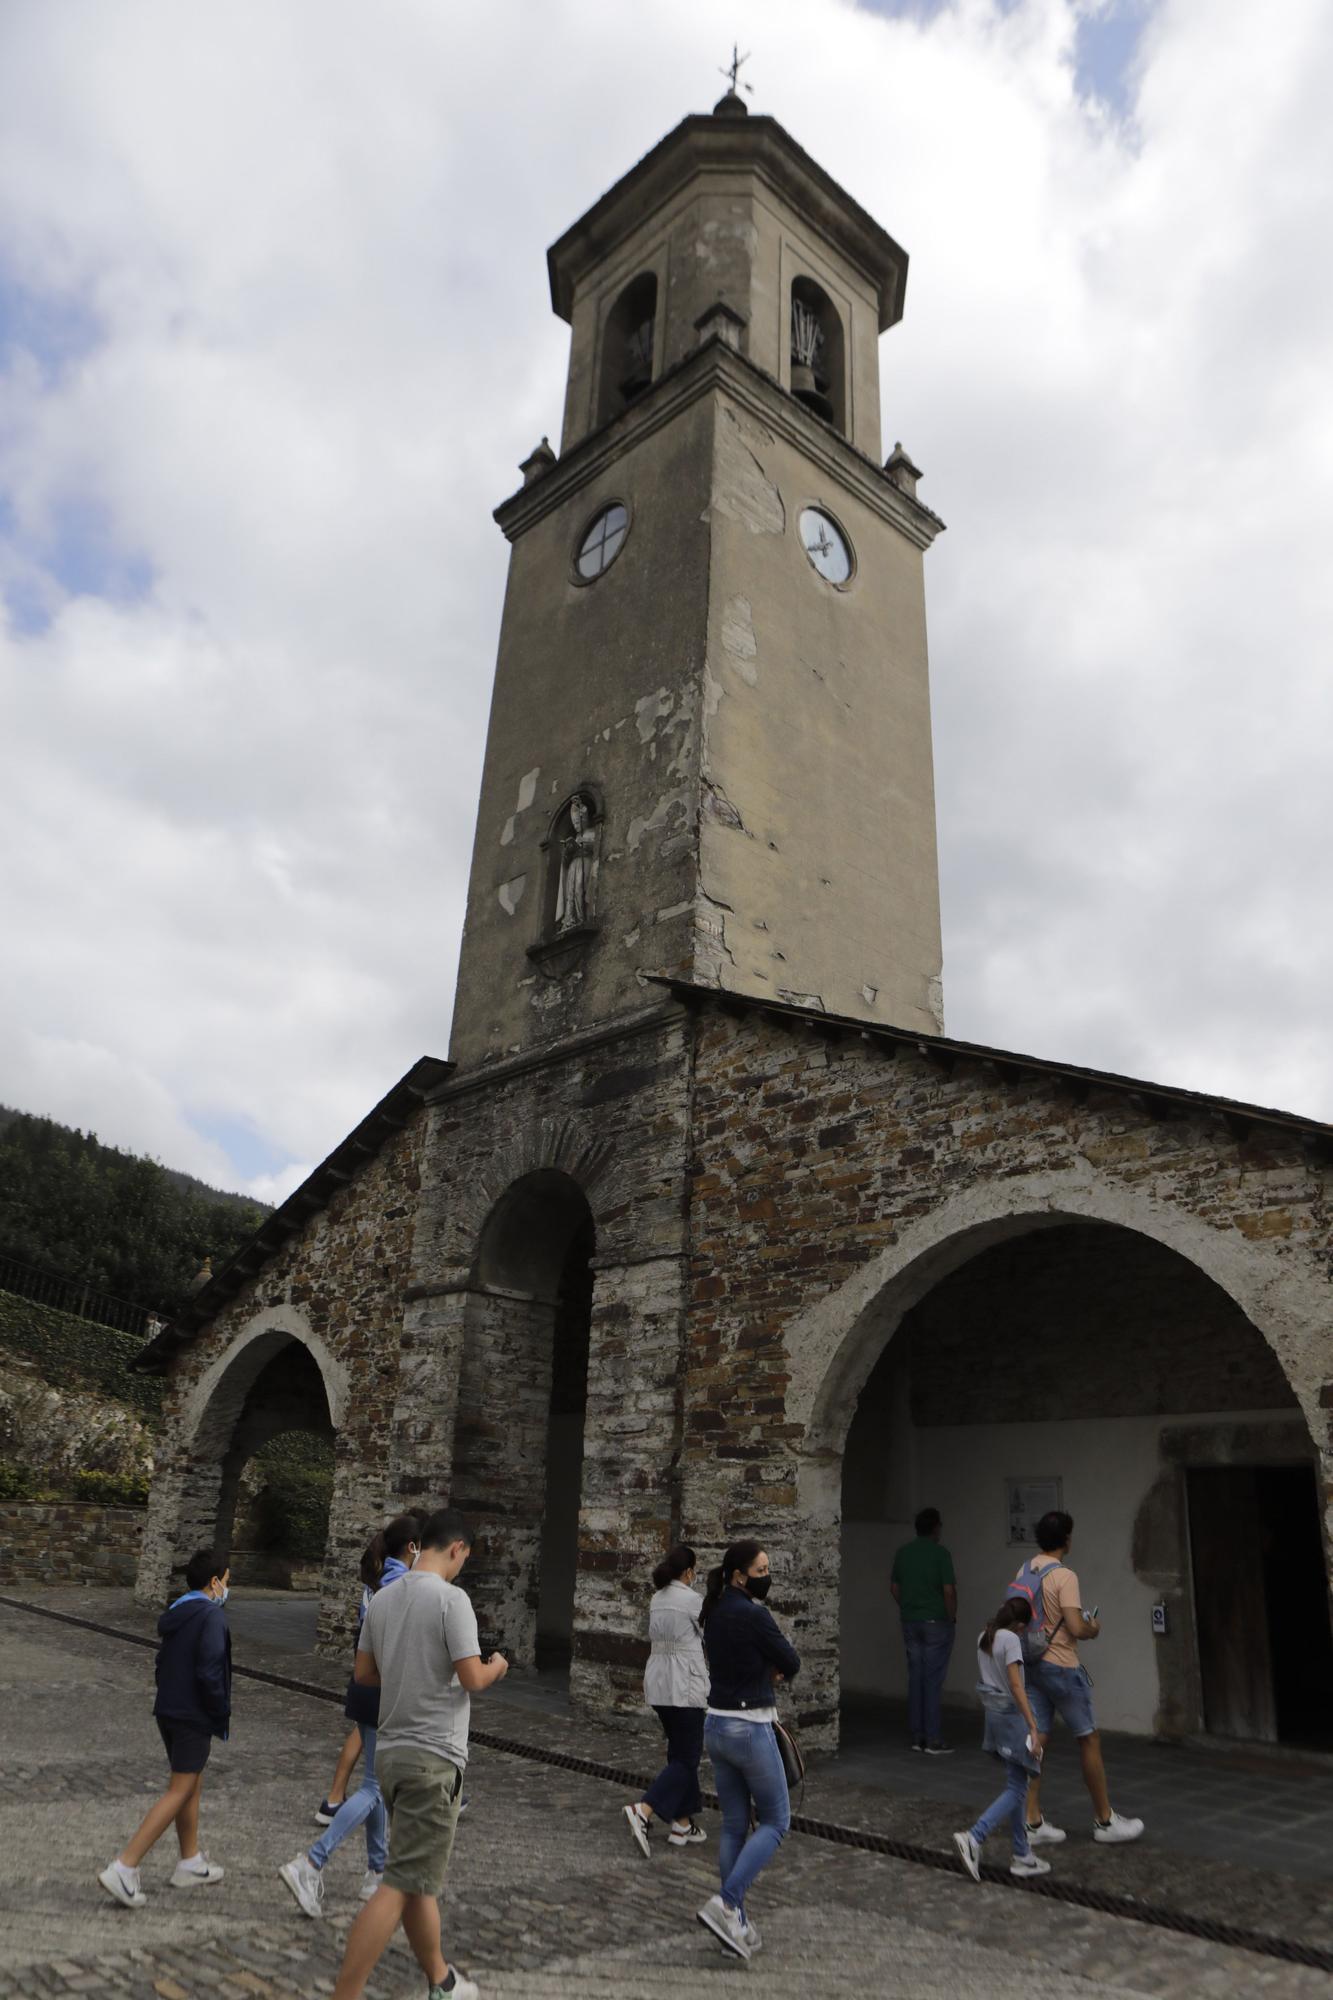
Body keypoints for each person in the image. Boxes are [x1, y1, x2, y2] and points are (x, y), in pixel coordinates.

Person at [329, 1506, 508, 2000]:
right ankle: (345, 1993)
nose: (461, 1567)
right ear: (457, 1549)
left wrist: (409, 1668)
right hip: (434, 1756)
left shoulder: (384, 1598)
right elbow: (472, 1678)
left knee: (416, 1878)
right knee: (399, 1882)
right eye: (463, 1559)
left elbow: (364, 1674)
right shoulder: (453, 1600)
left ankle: (441, 1980)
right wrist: (499, 1668)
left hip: (389, 1752)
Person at [280, 1514, 421, 1917]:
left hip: (363, 1685)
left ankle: (376, 1870)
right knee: (375, 1788)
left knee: (374, 1783)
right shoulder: (402, 1586)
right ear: (411, 1547)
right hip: (383, 1689)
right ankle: (310, 1863)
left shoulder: (376, 1582)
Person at [97, 1548, 231, 1908]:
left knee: (191, 1784)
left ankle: (190, 1861)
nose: (228, 1588)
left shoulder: (178, 1613)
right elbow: (210, 1670)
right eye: (228, 1580)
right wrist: (219, 1710)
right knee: (179, 1789)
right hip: (194, 1714)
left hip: (169, 1710)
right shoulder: (211, 1618)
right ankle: (124, 1867)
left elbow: (162, 1663)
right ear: (215, 1582)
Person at [695, 1540, 800, 1964]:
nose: (766, 1575)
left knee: (735, 1825)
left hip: (715, 1724)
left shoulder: (715, 1611)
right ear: (740, 1575)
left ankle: (732, 1927)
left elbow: (731, 1660)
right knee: (776, 1820)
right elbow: (790, 1661)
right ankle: (726, 1903)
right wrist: (769, 1667)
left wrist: (762, 1666)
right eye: (761, 1569)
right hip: (750, 1726)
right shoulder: (755, 1615)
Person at [1017, 1510, 1144, 1847]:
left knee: (1038, 1737)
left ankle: (1031, 1819)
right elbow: (1075, 1627)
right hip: (1062, 1665)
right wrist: (1093, 1627)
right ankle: (1105, 1820)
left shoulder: (1026, 1569)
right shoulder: (1064, 1576)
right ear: (1068, 1540)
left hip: (1032, 1663)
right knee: (1088, 1738)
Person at [952, 1598, 1049, 1881]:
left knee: (1016, 1783)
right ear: (1020, 1625)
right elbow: (1017, 1686)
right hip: (1011, 1718)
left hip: (993, 1716)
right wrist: (1033, 1726)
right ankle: (974, 1836)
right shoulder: (1011, 1640)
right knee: (1018, 1790)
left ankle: (1022, 1855)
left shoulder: (986, 1635)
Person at [623, 1543, 708, 1856]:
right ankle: (643, 1810)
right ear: (688, 1572)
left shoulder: (657, 1598)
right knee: (687, 1758)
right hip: (684, 1685)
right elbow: (708, 1633)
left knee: (679, 1753)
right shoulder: (692, 1600)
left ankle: (682, 1824)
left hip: (659, 1683)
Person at [890, 1505, 957, 1753]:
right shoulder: (941, 1554)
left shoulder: (903, 1553)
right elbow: (949, 1591)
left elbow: (895, 1588)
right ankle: (933, 1737)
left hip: (910, 1620)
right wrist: (951, 1617)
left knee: (916, 1678)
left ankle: (917, 1736)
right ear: (936, 1528)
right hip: (936, 1622)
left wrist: (909, 1607)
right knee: (932, 1681)